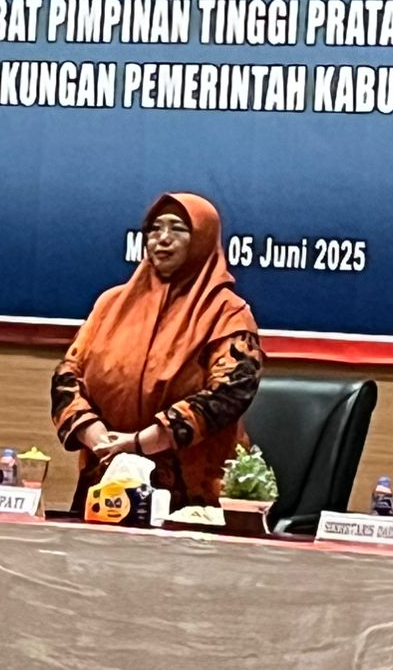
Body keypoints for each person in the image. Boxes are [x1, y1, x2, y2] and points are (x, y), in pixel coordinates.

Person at [51, 192, 264, 508]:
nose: (162, 238)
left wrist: (142, 442)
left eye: (178, 229)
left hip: (191, 494)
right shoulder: (110, 304)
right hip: (107, 479)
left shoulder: (228, 312)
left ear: (203, 239)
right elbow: (67, 376)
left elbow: (230, 394)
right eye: (154, 229)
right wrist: (95, 436)